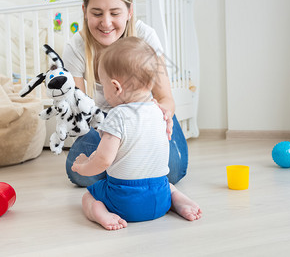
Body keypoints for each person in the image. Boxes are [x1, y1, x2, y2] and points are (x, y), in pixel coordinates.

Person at [62, 0, 188, 187]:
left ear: (129, 11)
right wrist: (110, 137)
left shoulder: (145, 36)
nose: (106, 22)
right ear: (84, 11)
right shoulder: (76, 47)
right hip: (104, 128)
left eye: (115, 12)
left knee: (173, 172)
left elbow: (166, 98)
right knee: (81, 174)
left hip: (145, 121)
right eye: (97, 13)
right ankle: (121, 168)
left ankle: (118, 170)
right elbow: (80, 113)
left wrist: (164, 115)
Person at [71, 37, 201, 230]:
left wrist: (82, 167)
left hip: (125, 205)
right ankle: (177, 200)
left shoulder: (117, 116)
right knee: (166, 184)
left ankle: (102, 215)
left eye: (103, 85)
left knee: (88, 196)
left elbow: (103, 160)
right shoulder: (160, 112)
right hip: (160, 199)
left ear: (116, 86)